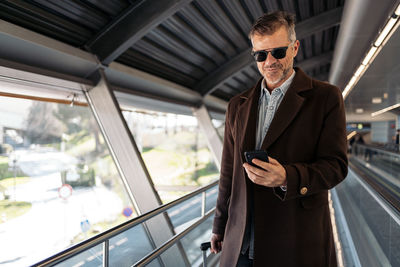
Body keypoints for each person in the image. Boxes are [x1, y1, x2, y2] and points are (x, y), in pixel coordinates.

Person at [210, 11, 348, 267]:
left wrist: (287, 177)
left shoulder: (326, 98)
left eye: (278, 52)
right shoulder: (237, 105)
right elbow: (228, 172)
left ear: (295, 48)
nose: (269, 61)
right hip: (241, 241)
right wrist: (219, 224)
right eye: (260, 55)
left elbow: (336, 167)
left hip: (295, 240)